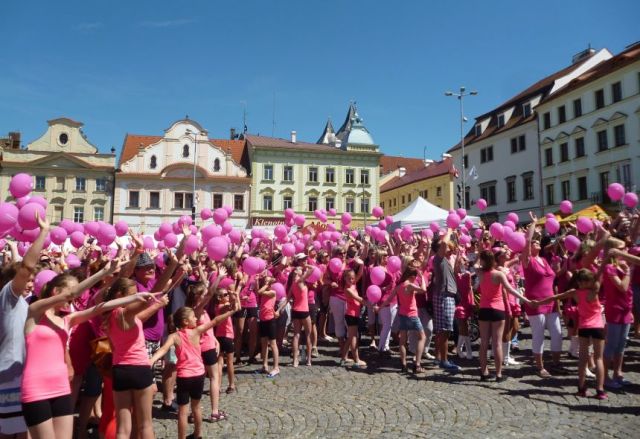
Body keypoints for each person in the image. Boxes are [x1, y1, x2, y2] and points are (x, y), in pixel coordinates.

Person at [21, 259, 143, 439]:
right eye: (70, 294)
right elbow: (71, 293)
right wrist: (102, 273)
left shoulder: (67, 319)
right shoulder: (35, 312)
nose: (74, 298)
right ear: (56, 292)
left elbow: (97, 309)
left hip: (61, 387)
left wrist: (134, 298)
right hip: (35, 388)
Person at [150, 301, 238, 439]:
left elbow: (163, 349)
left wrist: (150, 360)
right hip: (198, 376)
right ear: (186, 321)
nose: (196, 319)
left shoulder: (174, 336)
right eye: (193, 317)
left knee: (183, 412)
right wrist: (232, 311)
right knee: (196, 407)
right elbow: (216, 321)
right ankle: (198, 434)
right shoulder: (196, 332)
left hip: (184, 377)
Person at [0, 213, 48, 439]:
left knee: (23, 431)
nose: (31, 284)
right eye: (27, 281)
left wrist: (14, 249)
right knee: (9, 433)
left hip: (23, 376)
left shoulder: (22, 301)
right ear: (13, 281)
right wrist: (43, 232)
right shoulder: (8, 298)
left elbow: (23, 266)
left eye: (32, 281)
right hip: (8, 376)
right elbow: (26, 266)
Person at [532, 269, 607, 399]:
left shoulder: (574, 292)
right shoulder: (594, 290)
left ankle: (581, 388)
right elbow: (599, 273)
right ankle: (600, 391)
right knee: (599, 358)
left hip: (584, 327)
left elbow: (555, 297)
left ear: (578, 281)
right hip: (597, 326)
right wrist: (607, 258)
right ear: (589, 281)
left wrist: (538, 303)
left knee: (583, 359)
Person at [476, 250, 530, 382]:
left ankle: (484, 372)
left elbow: (477, 263)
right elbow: (510, 289)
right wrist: (526, 300)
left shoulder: (480, 272)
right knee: (497, 343)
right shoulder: (499, 274)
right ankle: (499, 374)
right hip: (497, 310)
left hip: (484, 309)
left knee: (483, 342)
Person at [521, 212, 563, 377]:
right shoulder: (527, 260)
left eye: (539, 242)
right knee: (539, 335)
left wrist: (559, 267)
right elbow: (527, 242)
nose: (537, 243)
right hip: (536, 302)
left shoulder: (544, 260)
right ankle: (540, 366)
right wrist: (533, 224)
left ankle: (556, 363)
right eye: (535, 242)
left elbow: (554, 277)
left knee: (558, 333)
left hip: (551, 302)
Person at [379, 266, 427, 374]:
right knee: (422, 337)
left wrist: (379, 307)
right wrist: (422, 277)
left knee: (402, 342)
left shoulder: (399, 286)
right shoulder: (409, 285)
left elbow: (389, 299)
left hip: (402, 315)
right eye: (415, 277)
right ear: (412, 276)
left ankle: (404, 364)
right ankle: (417, 364)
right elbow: (424, 290)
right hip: (413, 315)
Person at [601, 238, 633, 390]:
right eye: (622, 248)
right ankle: (605, 377)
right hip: (614, 310)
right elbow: (622, 287)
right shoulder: (610, 268)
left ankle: (617, 374)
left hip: (626, 310)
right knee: (611, 345)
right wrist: (628, 272)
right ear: (613, 251)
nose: (625, 251)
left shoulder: (622, 266)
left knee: (621, 345)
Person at [430, 230, 460, 371]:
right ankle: (444, 360)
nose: (449, 246)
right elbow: (443, 242)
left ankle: (441, 358)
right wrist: (449, 230)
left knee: (444, 330)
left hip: (448, 295)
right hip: (444, 296)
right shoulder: (438, 258)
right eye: (446, 245)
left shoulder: (445, 260)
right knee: (445, 330)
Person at [256, 273, 280, 378]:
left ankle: (276, 367)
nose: (267, 283)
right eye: (265, 281)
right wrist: (258, 280)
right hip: (263, 319)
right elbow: (259, 292)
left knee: (273, 344)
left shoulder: (272, 292)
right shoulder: (265, 291)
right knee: (264, 343)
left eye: (268, 282)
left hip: (270, 320)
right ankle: (264, 365)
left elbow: (260, 291)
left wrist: (267, 283)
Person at [342, 269, 366, 368]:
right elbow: (359, 299)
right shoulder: (348, 289)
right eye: (349, 278)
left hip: (354, 314)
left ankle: (344, 357)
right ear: (345, 279)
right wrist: (369, 301)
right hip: (351, 315)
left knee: (350, 337)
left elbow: (360, 273)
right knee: (353, 337)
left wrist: (360, 264)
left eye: (353, 278)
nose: (351, 280)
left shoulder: (353, 285)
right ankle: (356, 360)